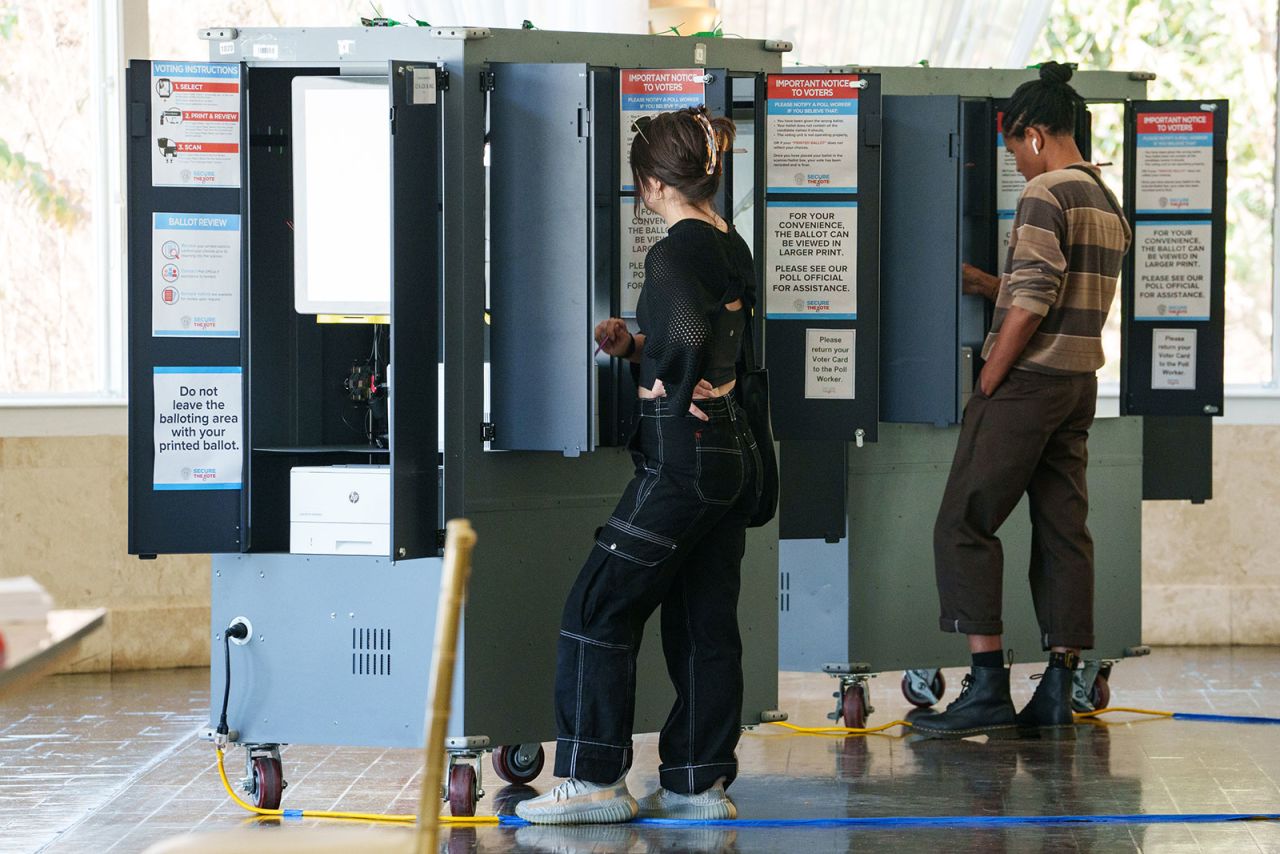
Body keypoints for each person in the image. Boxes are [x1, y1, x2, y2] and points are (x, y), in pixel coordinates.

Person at [516, 106, 761, 824]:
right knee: (703, 620)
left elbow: (685, 334)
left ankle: (592, 779)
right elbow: (713, 337)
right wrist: (636, 351)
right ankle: (695, 782)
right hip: (731, 456)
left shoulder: (675, 248)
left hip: (682, 460)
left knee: (597, 606)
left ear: (651, 182)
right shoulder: (727, 242)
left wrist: (670, 379)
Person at [914, 61, 1132, 736]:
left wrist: (989, 377)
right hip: (1077, 386)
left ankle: (985, 688)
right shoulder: (1102, 198)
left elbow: (1034, 300)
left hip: (1028, 384)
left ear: (1035, 135)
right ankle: (1058, 689)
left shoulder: (1046, 194)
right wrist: (989, 283)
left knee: (963, 522)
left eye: (1014, 150)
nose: (1015, 166)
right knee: (1064, 532)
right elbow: (1052, 289)